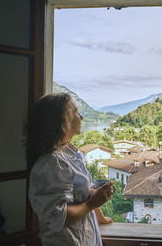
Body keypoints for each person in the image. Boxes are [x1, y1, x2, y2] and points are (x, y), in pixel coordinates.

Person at [27, 93, 114, 246]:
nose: (81, 117)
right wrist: (92, 203)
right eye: (75, 112)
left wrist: (95, 201)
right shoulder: (53, 163)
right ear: (61, 121)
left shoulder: (69, 155)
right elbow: (59, 216)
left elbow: (77, 195)